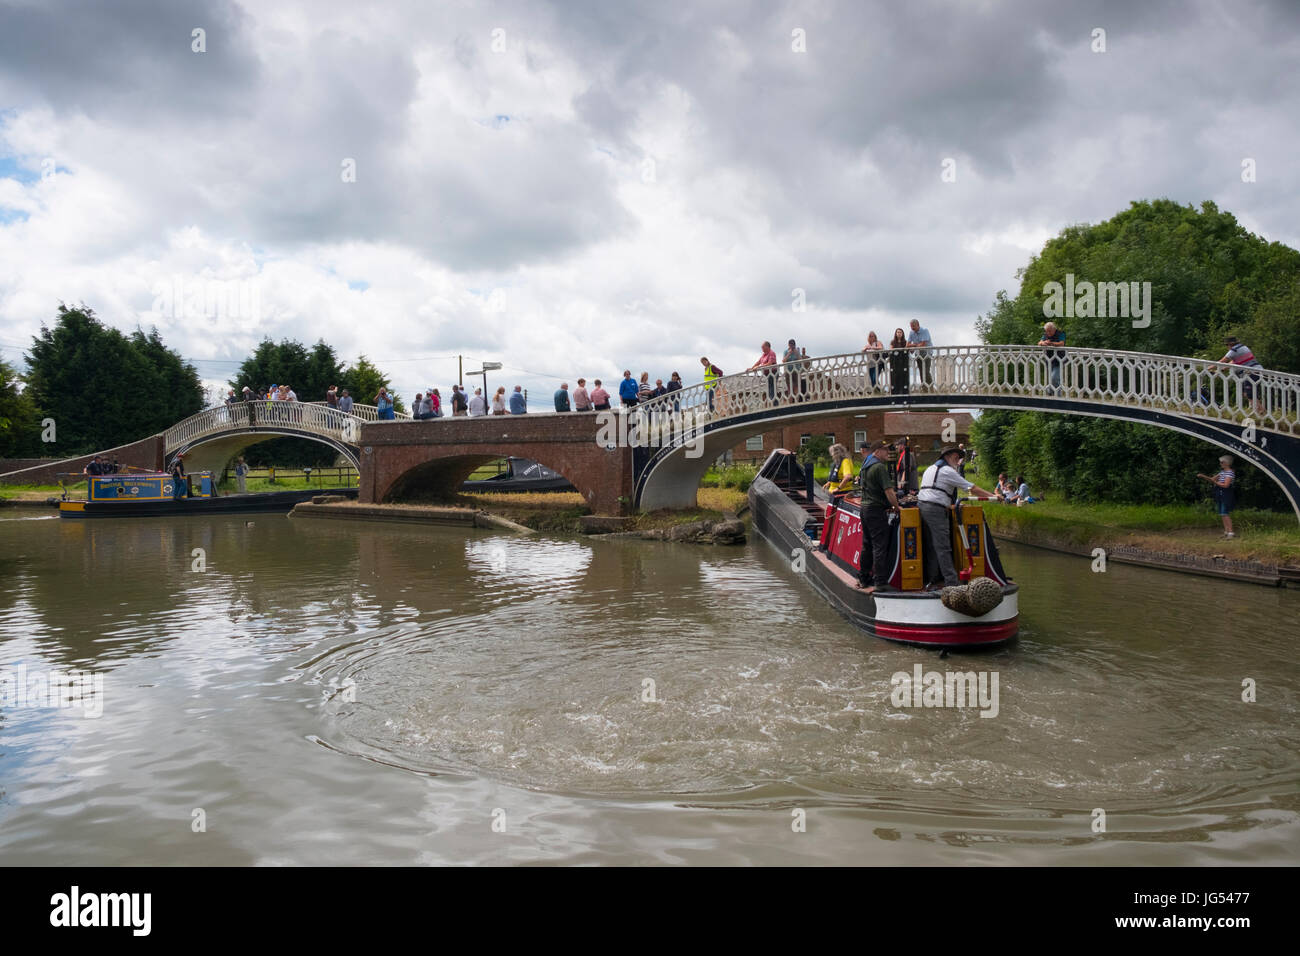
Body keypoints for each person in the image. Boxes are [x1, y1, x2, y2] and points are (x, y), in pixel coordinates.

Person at [917, 446, 998, 588]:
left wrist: (950, 505)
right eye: (956, 457)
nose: (958, 460)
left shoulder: (930, 468)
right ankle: (951, 584)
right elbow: (971, 488)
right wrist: (994, 496)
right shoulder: (947, 471)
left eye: (959, 457)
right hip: (935, 509)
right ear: (947, 456)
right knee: (943, 546)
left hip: (923, 505)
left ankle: (934, 577)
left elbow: (932, 490)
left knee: (932, 544)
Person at [856, 441, 901, 593]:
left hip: (865, 508)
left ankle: (863, 578)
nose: (888, 453)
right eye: (885, 450)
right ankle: (881, 582)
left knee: (867, 544)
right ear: (877, 451)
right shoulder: (879, 467)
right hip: (876, 510)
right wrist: (897, 507)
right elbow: (889, 491)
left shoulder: (865, 465)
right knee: (879, 546)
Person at [1219, 336, 1265, 416]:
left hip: (1252, 372)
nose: (1227, 347)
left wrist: (1208, 367)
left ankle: (1261, 412)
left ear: (1230, 344)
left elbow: (1222, 361)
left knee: (1250, 393)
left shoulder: (1234, 350)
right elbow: (1234, 362)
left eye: (1227, 345)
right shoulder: (1242, 347)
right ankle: (1259, 411)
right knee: (1246, 393)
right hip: (1255, 371)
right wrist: (1223, 368)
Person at [1197, 455, 1237, 538]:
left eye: (1222, 462)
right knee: (1222, 513)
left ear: (1227, 463)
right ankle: (1226, 531)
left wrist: (1216, 483)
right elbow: (1212, 479)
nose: (1220, 464)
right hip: (1220, 493)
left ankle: (1231, 532)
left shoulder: (1230, 472)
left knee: (1224, 513)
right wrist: (1203, 476)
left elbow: (1226, 485)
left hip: (1226, 493)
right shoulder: (1222, 472)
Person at [1038, 321, 1067, 393]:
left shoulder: (1061, 333)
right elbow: (1039, 342)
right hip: (1049, 359)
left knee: (1054, 378)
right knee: (1052, 378)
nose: (1048, 333)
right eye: (1047, 331)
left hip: (1059, 359)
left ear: (1054, 329)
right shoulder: (1045, 335)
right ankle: (1052, 394)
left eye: (1049, 331)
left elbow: (1061, 343)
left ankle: (1056, 394)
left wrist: (1051, 343)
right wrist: (1043, 343)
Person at [907, 319, 933, 389]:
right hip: (918, 354)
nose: (912, 328)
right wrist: (915, 345)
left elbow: (923, 344)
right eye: (911, 326)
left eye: (913, 326)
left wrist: (914, 345)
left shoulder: (925, 331)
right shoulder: (911, 333)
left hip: (927, 353)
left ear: (918, 325)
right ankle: (924, 388)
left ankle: (930, 388)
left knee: (926, 371)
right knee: (921, 372)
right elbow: (908, 345)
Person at [887, 328, 909, 396]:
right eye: (898, 332)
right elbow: (891, 350)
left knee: (903, 377)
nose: (899, 334)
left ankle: (904, 392)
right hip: (895, 362)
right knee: (895, 377)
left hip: (903, 362)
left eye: (900, 332)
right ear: (896, 334)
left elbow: (907, 350)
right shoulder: (893, 342)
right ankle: (895, 393)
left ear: (902, 334)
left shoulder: (905, 342)